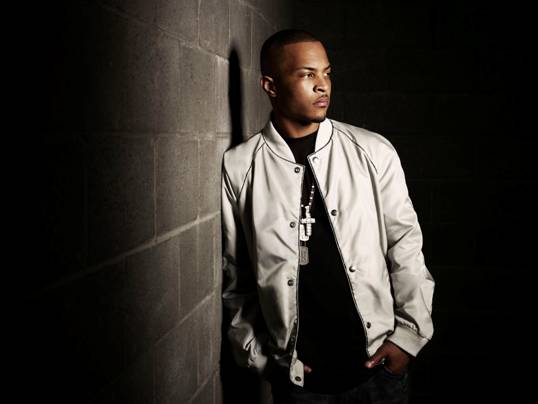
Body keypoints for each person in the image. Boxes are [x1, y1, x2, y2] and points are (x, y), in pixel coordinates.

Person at [220, 29, 434, 404]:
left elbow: (405, 245)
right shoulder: (240, 166)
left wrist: (408, 337)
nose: (323, 85)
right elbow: (237, 275)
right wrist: (259, 356)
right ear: (270, 86)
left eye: (327, 73)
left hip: (378, 369)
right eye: (307, 74)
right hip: (298, 380)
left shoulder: (372, 151)